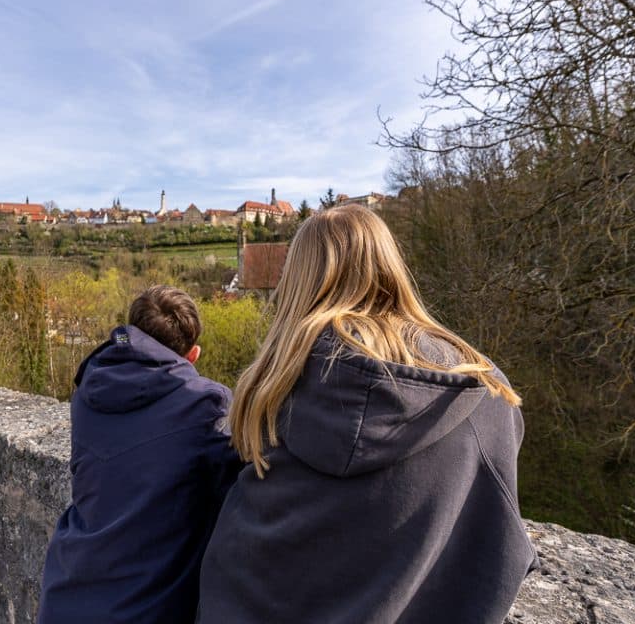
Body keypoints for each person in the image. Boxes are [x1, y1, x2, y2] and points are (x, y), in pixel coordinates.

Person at [197, 205, 538, 624]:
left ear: (297, 281)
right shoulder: (482, 389)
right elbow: (500, 543)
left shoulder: (271, 381)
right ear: (389, 265)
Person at [38, 285, 241, 624]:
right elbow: (240, 489)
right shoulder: (205, 405)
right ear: (193, 355)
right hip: (141, 608)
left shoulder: (88, 390)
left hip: (66, 592)